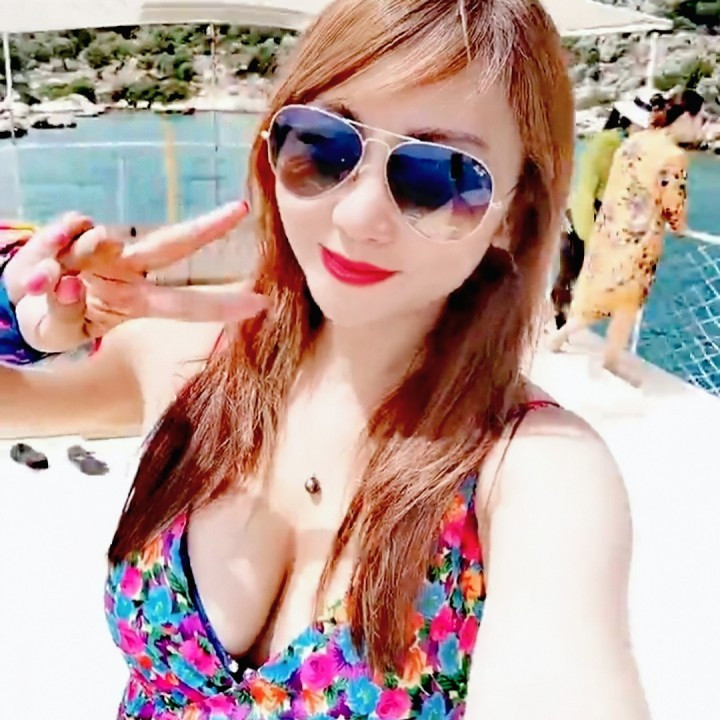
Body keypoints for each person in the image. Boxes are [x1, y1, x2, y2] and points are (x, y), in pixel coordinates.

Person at [0, 1, 650, 718]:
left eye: (438, 177)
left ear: (516, 214)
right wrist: (16, 313)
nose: (355, 215)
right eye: (324, 145)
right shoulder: (191, 360)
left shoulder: (534, 474)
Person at [549, 89, 705, 384]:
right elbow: (673, 202)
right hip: (639, 238)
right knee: (627, 300)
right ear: (686, 117)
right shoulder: (673, 156)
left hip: (611, 231)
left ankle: (563, 340)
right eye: (699, 120)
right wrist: (680, 226)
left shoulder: (635, 142)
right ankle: (606, 358)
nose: (700, 127)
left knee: (602, 292)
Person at [551, 88, 666, 328]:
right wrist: (589, 235)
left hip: (608, 217)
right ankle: (560, 319)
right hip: (584, 216)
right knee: (572, 274)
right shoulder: (606, 144)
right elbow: (586, 190)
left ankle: (567, 321)